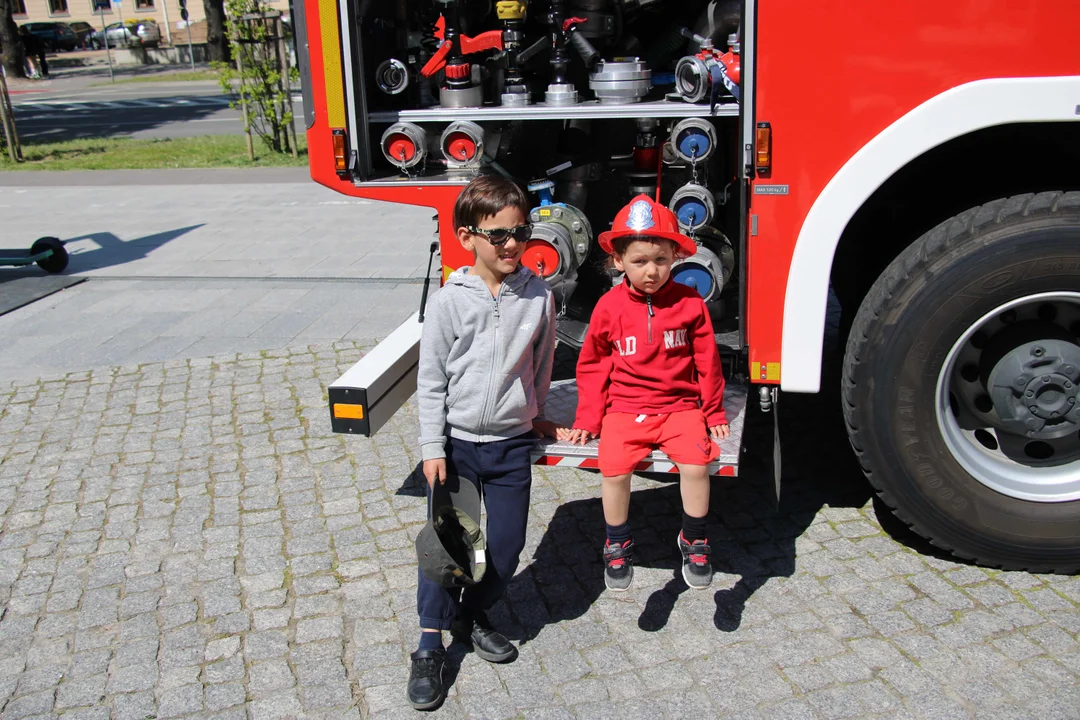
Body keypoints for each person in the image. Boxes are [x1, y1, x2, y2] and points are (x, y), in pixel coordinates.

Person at [409, 174, 558, 710]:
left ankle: (468, 617)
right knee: (449, 550)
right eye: (499, 235)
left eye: (521, 231)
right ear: (468, 236)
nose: (513, 244)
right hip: (458, 448)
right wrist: (431, 447)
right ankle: (429, 644)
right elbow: (431, 380)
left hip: (512, 445)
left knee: (505, 550)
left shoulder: (539, 296)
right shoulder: (452, 301)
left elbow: (541, 365)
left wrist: (535, 413)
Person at [559, 194, 730, 593]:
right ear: (619, 261)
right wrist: (588, 418)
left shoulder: (690, 303)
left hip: (679, 408)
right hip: (624, 409)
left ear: (675, 255)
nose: (650, 271)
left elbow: (707, 361)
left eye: (660, 260)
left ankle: (695, 539)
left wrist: (715, 412)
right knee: (614, 471)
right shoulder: (608, 306)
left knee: (695, 465)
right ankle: (617, 544)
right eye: (639, 262)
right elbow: (593, 365)